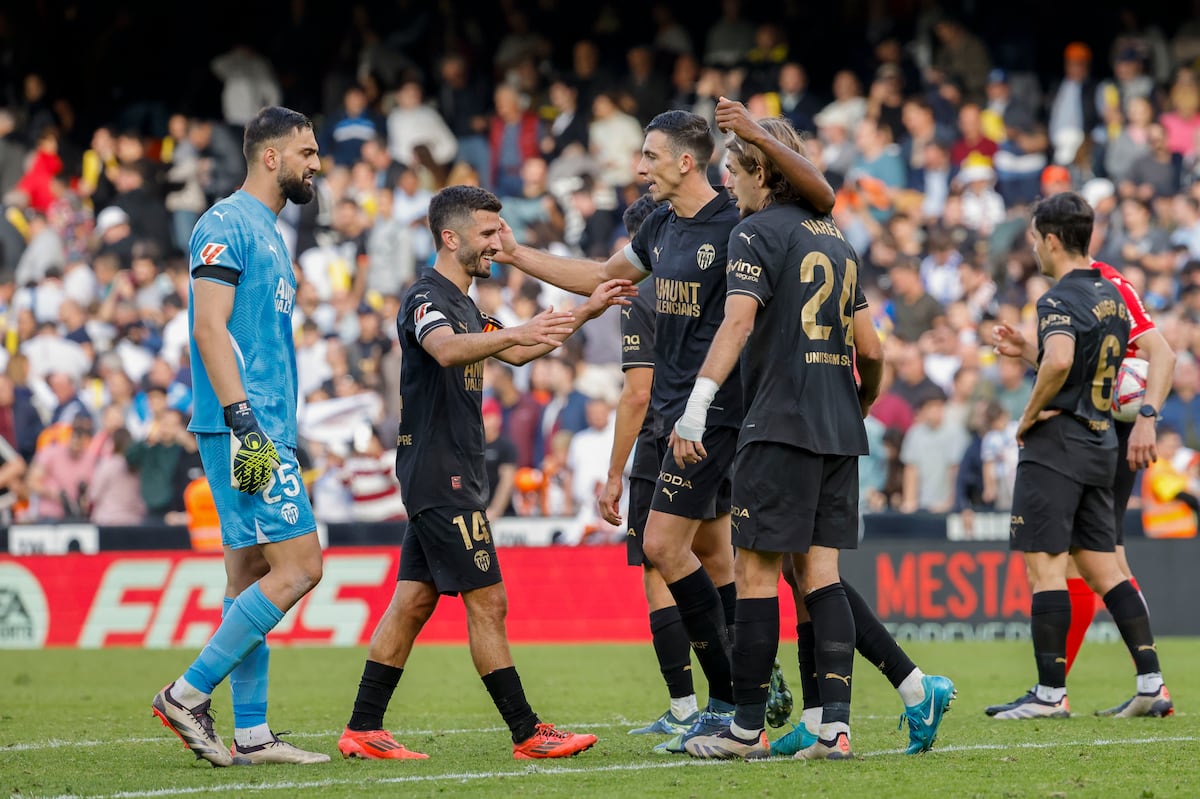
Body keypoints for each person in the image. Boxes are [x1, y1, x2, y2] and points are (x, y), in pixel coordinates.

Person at [495, 104, 835, 752]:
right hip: (688, 415)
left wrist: (700, 404)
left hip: (717, 415)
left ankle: (736, 703)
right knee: (712, 554)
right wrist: (517, 255)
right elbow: (600, 275)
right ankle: (752, 700)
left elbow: (816, 201)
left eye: (649, 155)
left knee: (662, 544)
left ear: (685, 161)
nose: (639, 165)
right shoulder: (659, 226)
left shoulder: (736, 219)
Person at [336, 185, 629, 761]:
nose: (502, 242)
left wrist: (586, 310)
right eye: (489, 233)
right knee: (488, 602)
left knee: (413, 603)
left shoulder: (468, 303)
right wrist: (516, 333)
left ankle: (362, 728)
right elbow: (445, 350)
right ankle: (527, 732)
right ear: (452, 237)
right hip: (440, 474)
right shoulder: (426, 298)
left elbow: (517, 351)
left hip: (449, 472)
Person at [150, 106, 329, 767]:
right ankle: (187, 692)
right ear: (271, 156)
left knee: (251, 571)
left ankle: (251, 733)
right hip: (246, 430)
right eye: (306, 152)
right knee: (301, 566)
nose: (316, 163)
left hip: (260, 426)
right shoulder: (225, 222)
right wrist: (246, 423)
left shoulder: (271, 233)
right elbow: (207, 327)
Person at [986, 192, 1171, 720]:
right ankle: (1151, 682)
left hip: (1061, 442)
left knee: (1045, 567)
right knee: (1104, 566)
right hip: (1100, 439)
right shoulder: (1110, 295)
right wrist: (1029, 350)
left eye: (1032, 240)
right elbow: (1082, 359)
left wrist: (1027, 416)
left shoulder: (1060, 297)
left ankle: (1049, 694)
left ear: (1049, 239)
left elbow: (1064, 360)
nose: (1033, 250)